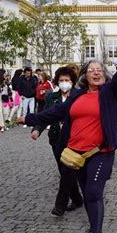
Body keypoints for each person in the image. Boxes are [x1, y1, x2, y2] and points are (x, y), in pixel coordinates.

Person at [18, 29, 117, 233]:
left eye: (100, 70)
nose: (96, 72)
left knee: (93, 191)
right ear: (84, 75)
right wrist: (29, 119)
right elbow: (54, 113)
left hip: (100, 152)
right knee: (86, 191)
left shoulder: (110, 93)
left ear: (104, 75)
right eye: (91, 70)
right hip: (75, 153)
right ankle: (93, 225)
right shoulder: (77, 96)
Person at [30, 67, 84, 216]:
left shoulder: (79, 96)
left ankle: (60, 205)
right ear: (57, 82)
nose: (64, 83)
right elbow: (45, 115)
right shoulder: (52, 97)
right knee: (63, 170)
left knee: (69, 170)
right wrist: (37, 129)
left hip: (74, 139)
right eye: (61, 80)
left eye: (67, 80)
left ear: (73, 82)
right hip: (56, 138)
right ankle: (77, 199)